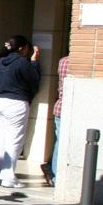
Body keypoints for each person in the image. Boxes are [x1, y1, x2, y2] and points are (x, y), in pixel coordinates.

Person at [0, 36, 41, 188]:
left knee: (0, 139)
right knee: (14, 140)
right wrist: (34, 62)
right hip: (16, 103)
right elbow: (34, 81)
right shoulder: (22, 62)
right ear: (21, 48)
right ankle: (8, 177)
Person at [44, 54, 70, 187]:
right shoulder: (77, 63)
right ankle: (57, 175)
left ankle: (54, 174)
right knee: (62, 143)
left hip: (59, 107)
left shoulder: (63, 61)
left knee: (59, 142)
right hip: (69, 109)